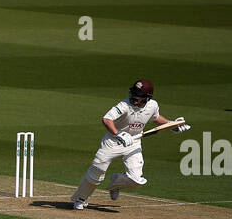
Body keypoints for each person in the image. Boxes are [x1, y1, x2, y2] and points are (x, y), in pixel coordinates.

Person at [69, 80, 188, 210]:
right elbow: (106, 119)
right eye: (133, 96)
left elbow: (156, 117)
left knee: (136, 180)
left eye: (138, 98)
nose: (134, 99)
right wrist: (118, 134)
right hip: (113, 142)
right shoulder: (124, 105)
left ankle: (116, 183)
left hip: (134, 143)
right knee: (97, 169)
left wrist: (172, 126)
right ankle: (81, 198)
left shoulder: (152, 105)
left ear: (147, 98)